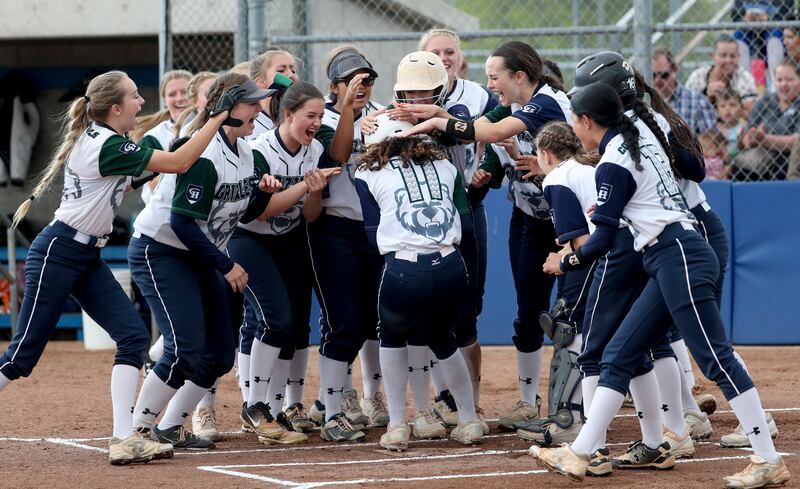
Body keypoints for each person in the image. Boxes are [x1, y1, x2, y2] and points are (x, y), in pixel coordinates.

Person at [531, 82, 790, 489]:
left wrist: (567, 260)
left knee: (715, 359)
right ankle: (580, 452)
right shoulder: (636, 132)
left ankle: (768, 458)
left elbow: (599, 241)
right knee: (619, 354)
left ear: (586, 121)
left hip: (679, 255)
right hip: (667, 257)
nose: (573, 131)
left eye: (574, 122)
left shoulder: (615, 158)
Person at [0, 70, 235, 465]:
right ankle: (125, 435)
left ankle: (124, 438)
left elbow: (125, 183)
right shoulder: (106, 142)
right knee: (21, 357)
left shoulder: (110, 141)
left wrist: (163, 159)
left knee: (131, 338)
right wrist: (215, 118)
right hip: (58, 251)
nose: (141, 103)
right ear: (115, 108)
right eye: (133, 97)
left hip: (86, 255)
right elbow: (179, 162)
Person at [407, 40, 571, 432]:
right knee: (529, 314)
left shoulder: (547, 101)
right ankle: (528, 404)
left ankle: (573, 402)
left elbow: (489, 129)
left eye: (495, 77)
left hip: (570, 225)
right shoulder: (511, 107)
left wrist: (436, 119)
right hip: (530, 220)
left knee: (574, 315)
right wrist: (482, 170)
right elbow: (480, 136)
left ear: (519, 76)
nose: (490, 84)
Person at [128, 73, 295, 450]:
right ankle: (135, 433)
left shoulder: (248, 154)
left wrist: (262, 194)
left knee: (219, 353)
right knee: (184, 349)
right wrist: (225, 265)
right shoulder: (204, 154)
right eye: (251, 103)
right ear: (227, 109)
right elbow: (181, 223)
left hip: (198, 254)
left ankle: (168, 427)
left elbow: (242, 212)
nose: (260, 109)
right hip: (162, 250)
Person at [234, 78, 362, 444]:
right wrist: (305, 186)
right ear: (287, 114)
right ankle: (254, 406)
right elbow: (257, 214)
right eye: (310, 115)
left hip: (288, 240)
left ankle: (274, 410)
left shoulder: (312, 148)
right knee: (274, 319)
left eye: (321, 116)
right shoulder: (259, 150)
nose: (316, 122)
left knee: (289, 328)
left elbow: (310, 215)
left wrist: (315, 190)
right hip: (249, 240)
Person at [354, 115, 484, 451]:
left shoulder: (367, 172)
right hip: (452, 264)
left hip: (404, 268)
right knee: (444, 339)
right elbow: (467, 229)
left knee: (393, 338)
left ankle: (398, 425)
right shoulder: (446, 168)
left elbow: (370, 235)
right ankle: (468, 420)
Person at [412, 28, 498, 429]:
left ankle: (470, 400)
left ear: (460, 59)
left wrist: (487, 173)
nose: (443, 57)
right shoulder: (405, 95)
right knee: (426, 308)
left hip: (467, 206)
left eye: (450, 52)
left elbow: (495, 141)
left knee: (468, 311)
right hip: (420, 216)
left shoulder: (478, 95)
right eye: (435, 52)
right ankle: (438, 399)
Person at [306, 47, 388, 439]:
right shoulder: (321, 115)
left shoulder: (382, 113)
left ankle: (333, 401)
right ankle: (332, 412)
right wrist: (351, 115)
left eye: (366, 80)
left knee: (370, 321)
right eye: (352, 81)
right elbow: (336, 155)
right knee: (342, 323)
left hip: (373, 231)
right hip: (333, 229)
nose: (361, 87)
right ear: (334, 86)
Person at [513, 121, 599, 446]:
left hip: (600, 255)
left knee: (567, 327)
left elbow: (582, 240)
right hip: (628, 251)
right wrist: (562, 253)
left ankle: (567, 419)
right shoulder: (585, 166)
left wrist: (559, 262)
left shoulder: (558, 177)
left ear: (546, 154)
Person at [733, 60, 800, 181]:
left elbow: (796, 141)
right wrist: (751, 139)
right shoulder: (766, 100)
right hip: (759, 160)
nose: (784, 84)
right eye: (779, 80)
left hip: (788, 161)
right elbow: (747, 137)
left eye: (790, 80)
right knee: (739, 167)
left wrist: (764, 139)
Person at [133, 70, 192, 203]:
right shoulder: (153, 137)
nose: (179, 98)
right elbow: (155, 186)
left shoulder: (208, 127)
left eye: (185, 92)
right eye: (172, 94)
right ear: (164, 100)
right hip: (165, 213)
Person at [685, 34, 759, 112]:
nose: (728, 60)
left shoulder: (745, 77)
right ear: (713, 56)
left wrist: (731, 105)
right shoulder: (698, 76)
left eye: (732, 56)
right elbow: (686, 109)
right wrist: (708, 98)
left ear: (738, 57)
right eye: (723, 56)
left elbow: (752, 111)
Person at [651, 48, 717, 134]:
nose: (657, 81)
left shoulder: (697, 102)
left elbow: (712, 142)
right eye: (653, 75)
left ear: (674, 71)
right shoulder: (643, 101)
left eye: (663, 75)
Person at [248, 48, 299, 141]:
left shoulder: (301, 119)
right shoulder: (249, 124)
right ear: (260, 82)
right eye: (281, 70)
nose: (290, 75)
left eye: (293, 71)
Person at [713, 89, 746, 161]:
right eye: (722, 106)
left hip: (741, 163)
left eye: (732, 105)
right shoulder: (717, 129)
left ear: (741, 110)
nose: (727, 109)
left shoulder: (744, 127)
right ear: (717, 112)